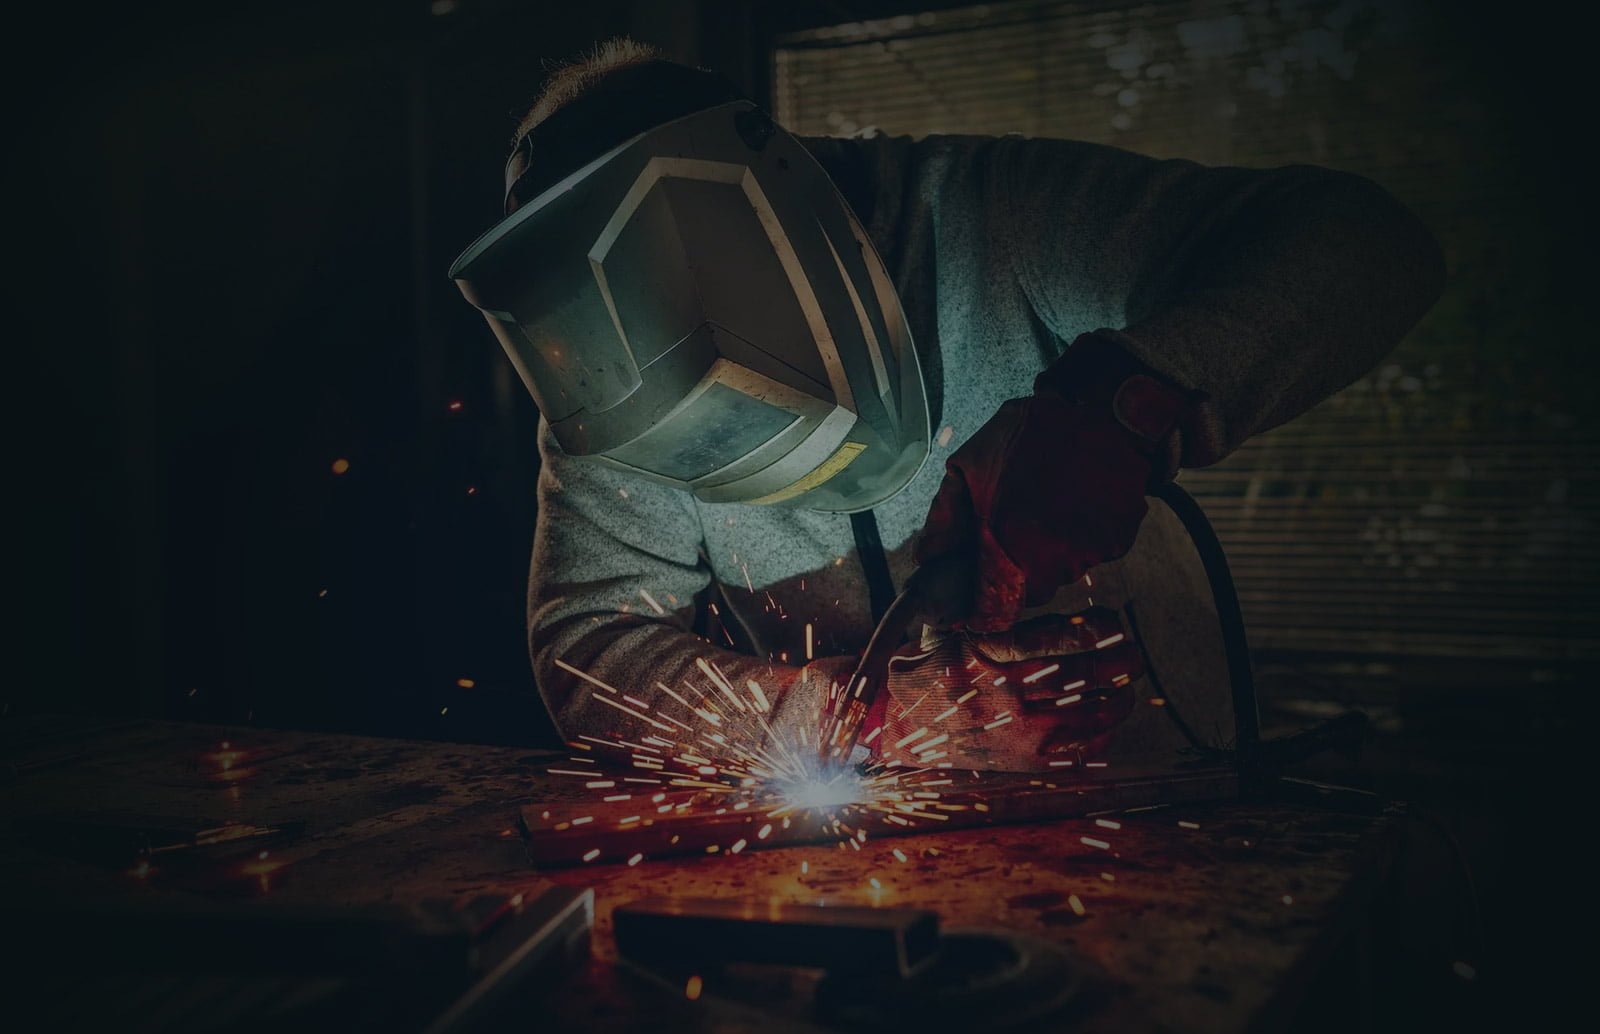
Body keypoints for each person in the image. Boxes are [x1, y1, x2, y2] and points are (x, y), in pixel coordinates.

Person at [449, 39, 1443, 771]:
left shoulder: (989, 215)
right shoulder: (607, 390)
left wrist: (1120, 396)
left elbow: (1363, 242)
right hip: (864, 856)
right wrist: (853, 718)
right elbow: (586, 651)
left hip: (1160, 795)